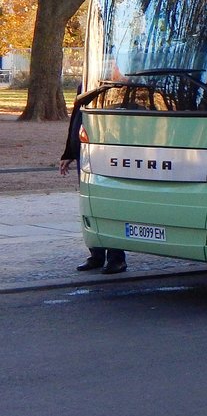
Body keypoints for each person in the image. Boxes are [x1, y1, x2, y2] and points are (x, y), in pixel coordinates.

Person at [58, 88, 126, 275]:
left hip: (107, 150)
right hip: (86, 151)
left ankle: (116, 257)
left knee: (109, 206)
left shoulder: (117, 84)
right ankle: (96, 254)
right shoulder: (90, 79)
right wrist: (69, 152)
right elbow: (77, 118)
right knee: (90, 205)